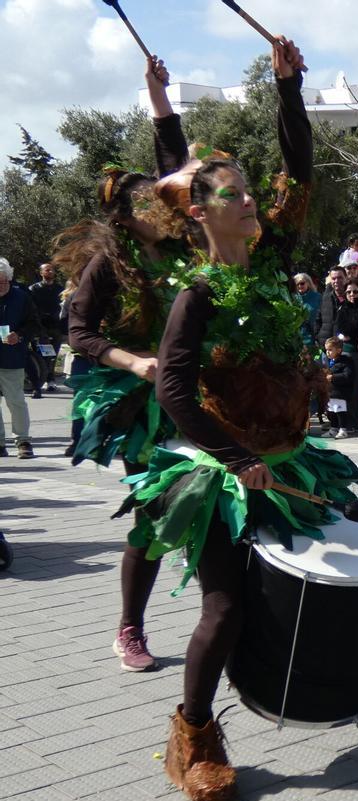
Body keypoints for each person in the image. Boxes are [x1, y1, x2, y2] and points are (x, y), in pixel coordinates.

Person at [123, 37, 358, 801]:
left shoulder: (270, 260)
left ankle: (298, 687)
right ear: (201, 213)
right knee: (224, 607)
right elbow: (175, 394)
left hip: (288, 459)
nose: (252, 199)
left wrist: (288, 89)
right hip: (222, 470)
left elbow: (301, 172)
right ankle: (192, 735)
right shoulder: (194, 295)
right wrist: (231, 457)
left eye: (250, 191)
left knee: (297, 591)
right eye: (233, 194)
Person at [59, 55, 193, 673]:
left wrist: (157, 97)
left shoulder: (178, 246)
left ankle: (236, 614)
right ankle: (130, 627)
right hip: (144, 404)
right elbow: (79, 334)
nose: (164, 204)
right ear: (126, 213)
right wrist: (133, 362)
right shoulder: (107, 267)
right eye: (150, 201)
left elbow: (177, 164)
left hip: (196, 389)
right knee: (155, 511)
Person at [0, 258, 36, 459]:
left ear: (9, 279)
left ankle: (23, 441)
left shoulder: (21, 297)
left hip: (12, 358)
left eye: (3, 282)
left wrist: (19, 335)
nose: (0, 286)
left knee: (16, 401)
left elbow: (34, 324)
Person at [329, 279, 358, 432]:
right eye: (348, 292)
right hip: (350, 352)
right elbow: (343, 329)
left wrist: (353, 329)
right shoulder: (343, 309)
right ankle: (351, 424)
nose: (352, 295)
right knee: (352, 390)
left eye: (355, 291)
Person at [29, 263, 63, 392]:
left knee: (53, 354)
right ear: (41, 272)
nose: (49, 272)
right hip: (40, 327)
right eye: (46, 270)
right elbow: (32, 309)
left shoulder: (60, 289)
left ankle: (51, 380)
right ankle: (43, 378)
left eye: (51, 270)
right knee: (43, 354)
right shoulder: (34, 289)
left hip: (55, 327)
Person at [323, 336, 355, 438]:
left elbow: (348, 376)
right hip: (332, 392)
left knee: (340, 411)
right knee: (332, 412)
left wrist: (333, 377)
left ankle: (343, 429)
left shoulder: (346, 361)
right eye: (326, 350)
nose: (327, 352)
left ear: (339, 350)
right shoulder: (329, 362)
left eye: (330, 350)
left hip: (341, 392)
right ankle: (333, 429)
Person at [292, 272, 321, 345]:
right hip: (297, 340)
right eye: (297, 284)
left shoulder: (318, 297)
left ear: (308, 283)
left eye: (302, 283)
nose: (299, 286)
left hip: (314, 338)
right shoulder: (292, 299)